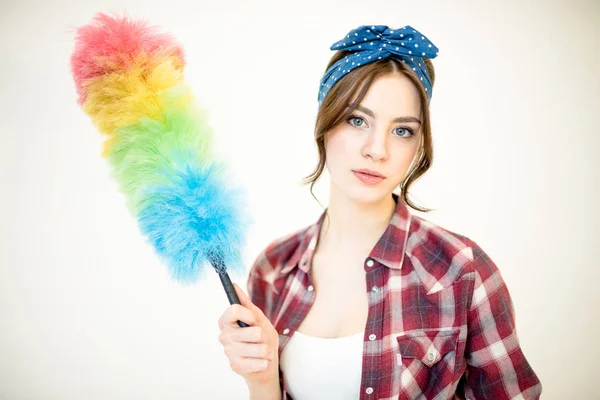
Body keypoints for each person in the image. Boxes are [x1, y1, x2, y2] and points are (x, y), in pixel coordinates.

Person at [217, 24, 542, 400]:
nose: (378, 149)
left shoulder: (461, 271)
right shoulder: (273, 269)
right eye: (357, 120)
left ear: (418, 145)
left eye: (402, 131)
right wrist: (261, 381)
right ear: (325, 123)